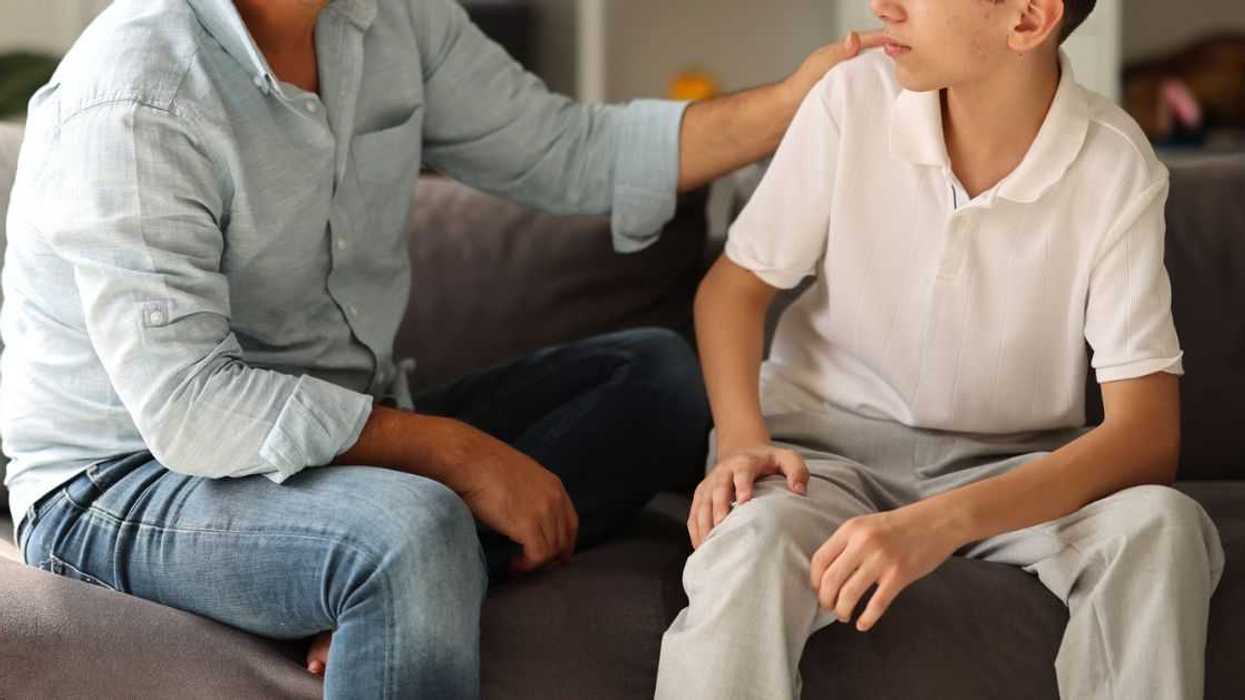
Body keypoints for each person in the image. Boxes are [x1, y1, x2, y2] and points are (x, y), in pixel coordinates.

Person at [1, 0, 887, 696]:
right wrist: (454, 454)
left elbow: (570, 150)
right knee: (408, 534)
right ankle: (388, 578)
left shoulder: (391, 17)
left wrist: (792, 101)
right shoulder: (135, 95)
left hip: (342, 441)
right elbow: (190, 409)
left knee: (657, 377)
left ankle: (371, 592)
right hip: (123, 477)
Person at [657, 0, 1225, 698]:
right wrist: (742, 441)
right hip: (826, 458)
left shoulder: (1115, 166)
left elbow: (1144, 436)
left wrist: (937, 524)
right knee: (749, 542)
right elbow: (731, 291)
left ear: (1026, 19)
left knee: (1162, 528)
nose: (881, 5)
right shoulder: (851, 97)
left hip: (1012, 467)